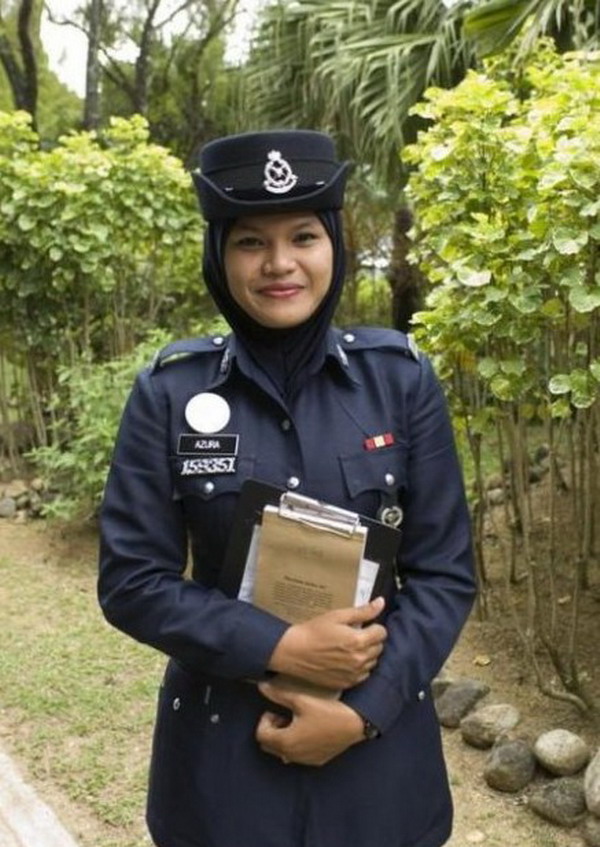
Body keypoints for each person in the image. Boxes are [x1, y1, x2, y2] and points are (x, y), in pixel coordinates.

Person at [98, 129, 476, 847]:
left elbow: (445, 575)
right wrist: (281, 645)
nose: (279, 263)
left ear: (334, 242)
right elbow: (133, 581)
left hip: (379, 762)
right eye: (250, 242)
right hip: (222, 764)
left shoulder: (400, 382)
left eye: (303, 235)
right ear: (219, 255)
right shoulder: (169, 392)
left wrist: (361, 711)